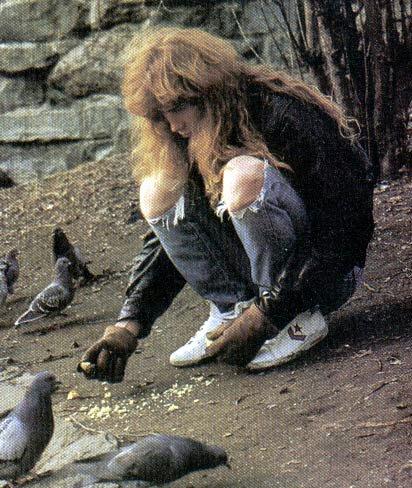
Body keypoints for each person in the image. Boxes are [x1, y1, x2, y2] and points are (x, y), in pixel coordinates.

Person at [77, 27, 374, 383]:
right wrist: (130, 323)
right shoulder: (186, 135)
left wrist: (269, 313)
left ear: (208, 91)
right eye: (161, 115)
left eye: (178, 108)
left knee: (243, 175)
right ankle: (231, 309)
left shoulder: (284, 113)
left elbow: (344, 226)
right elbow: (179, 236)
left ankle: (296, 321)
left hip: (322, 281)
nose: (173, 125)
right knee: (157, 188)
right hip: (265, 291)